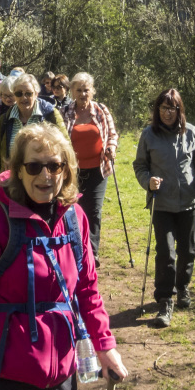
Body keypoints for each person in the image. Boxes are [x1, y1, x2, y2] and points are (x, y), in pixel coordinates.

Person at [0, 125, 129, 390]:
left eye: (54, 166)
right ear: (19, 170)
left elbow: (87, 290)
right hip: (1, 377)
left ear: (66, 170)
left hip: (61, 377)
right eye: (34, 166)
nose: (45, 175)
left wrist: (105, 345)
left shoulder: (75, 220)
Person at [132, 89, 195, 328]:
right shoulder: (149, 135)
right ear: (157, 110)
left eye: (172, 108)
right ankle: (165, 299)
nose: (167, 113)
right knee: (166, 252)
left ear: (179, 110)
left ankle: (183, 287)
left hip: (190, 201)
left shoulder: (192, 133)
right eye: (163, 108)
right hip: (162, 204)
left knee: (188, 251)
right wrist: (148, 181)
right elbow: (140, 166)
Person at [62, 72, 118, 268]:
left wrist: (111, 147)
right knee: (73, 210)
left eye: (86, 90)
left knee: (94, 211)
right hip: (72, 171)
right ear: (72, 92)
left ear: (92, 91)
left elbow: (112, 134)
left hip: (98, 170)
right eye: (79, 90)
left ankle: (92, 254)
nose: (83, 94)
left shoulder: (101, 111)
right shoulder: (65, 112)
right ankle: (75, 249)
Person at [0, 74, 64, 191]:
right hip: (11, 185)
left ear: (36, 93)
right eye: (19, 94)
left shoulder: (51, 116)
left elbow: (66, 151)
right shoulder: (5, 119)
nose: (24, 97)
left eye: (28, 93)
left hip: (42, 184)